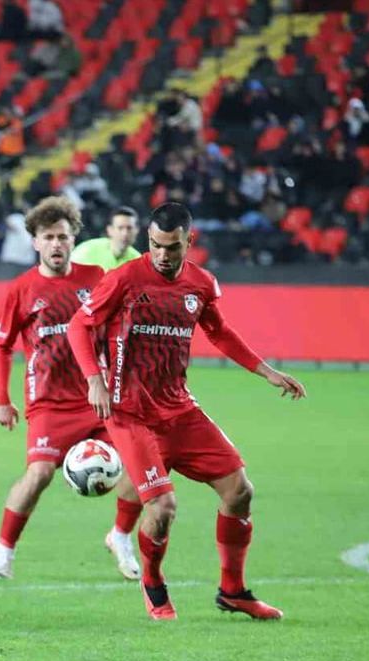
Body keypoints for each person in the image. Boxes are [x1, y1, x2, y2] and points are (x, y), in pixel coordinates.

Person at [65, 202, 306, 621]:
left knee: (240, 492)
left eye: (172, 247)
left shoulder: (202, 285)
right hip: (130, 413)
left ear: (188, 242)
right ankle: (154, 584)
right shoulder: (124, 279)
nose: (162, 254)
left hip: (179, 409)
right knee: (162, 509)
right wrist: (94, 380)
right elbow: (78, 326)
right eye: (155, 245)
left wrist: (264, 370)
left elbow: (219, 331)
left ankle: (233, 591)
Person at [0, 197, 143, 581]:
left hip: (98, 398)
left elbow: (116, 332)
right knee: (39, 474)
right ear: (36, 242)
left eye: (63, 236)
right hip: (48, 403)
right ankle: (5, 547)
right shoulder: (21, 289)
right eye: (48, 237)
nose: (57, 244)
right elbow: (3, 345)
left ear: (74, 239)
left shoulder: (95, 279)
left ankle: (121, 536)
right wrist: (1, 400)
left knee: (144, 465)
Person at [70, 206, 141, 270]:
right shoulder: (87, 250)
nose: (125, 233)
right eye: (120, 228)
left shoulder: (139, 262)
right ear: (110, 230)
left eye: (129, 228)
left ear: (137, 231)